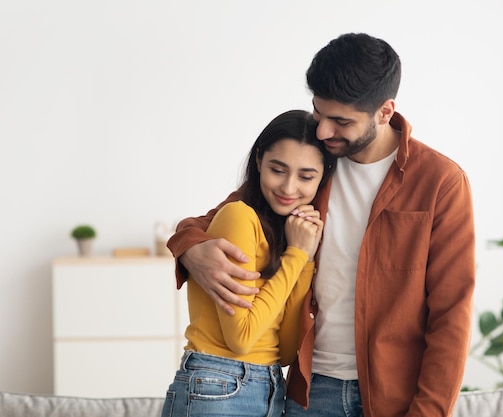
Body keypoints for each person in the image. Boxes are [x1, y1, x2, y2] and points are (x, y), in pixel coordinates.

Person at [167, 33, 476, 417]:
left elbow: (451, 314)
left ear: (384, 111)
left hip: (392, 396)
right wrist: (191, 250)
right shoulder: (312, 164)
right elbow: (202, 223)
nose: (324, 130)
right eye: (318, 113)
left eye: (341, 121)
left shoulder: (439, 182)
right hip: (309, 393)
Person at [160, 109, 336, 417]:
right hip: (217, 384)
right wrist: (296, 258)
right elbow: (241, 338)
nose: (288, 188)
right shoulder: (238, 217)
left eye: (306, 177)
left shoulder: (286, 237)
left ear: (322, 178)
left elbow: (283, 351)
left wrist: (304, 259)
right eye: (277, 170)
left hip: (267, 387)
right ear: (258, 162)